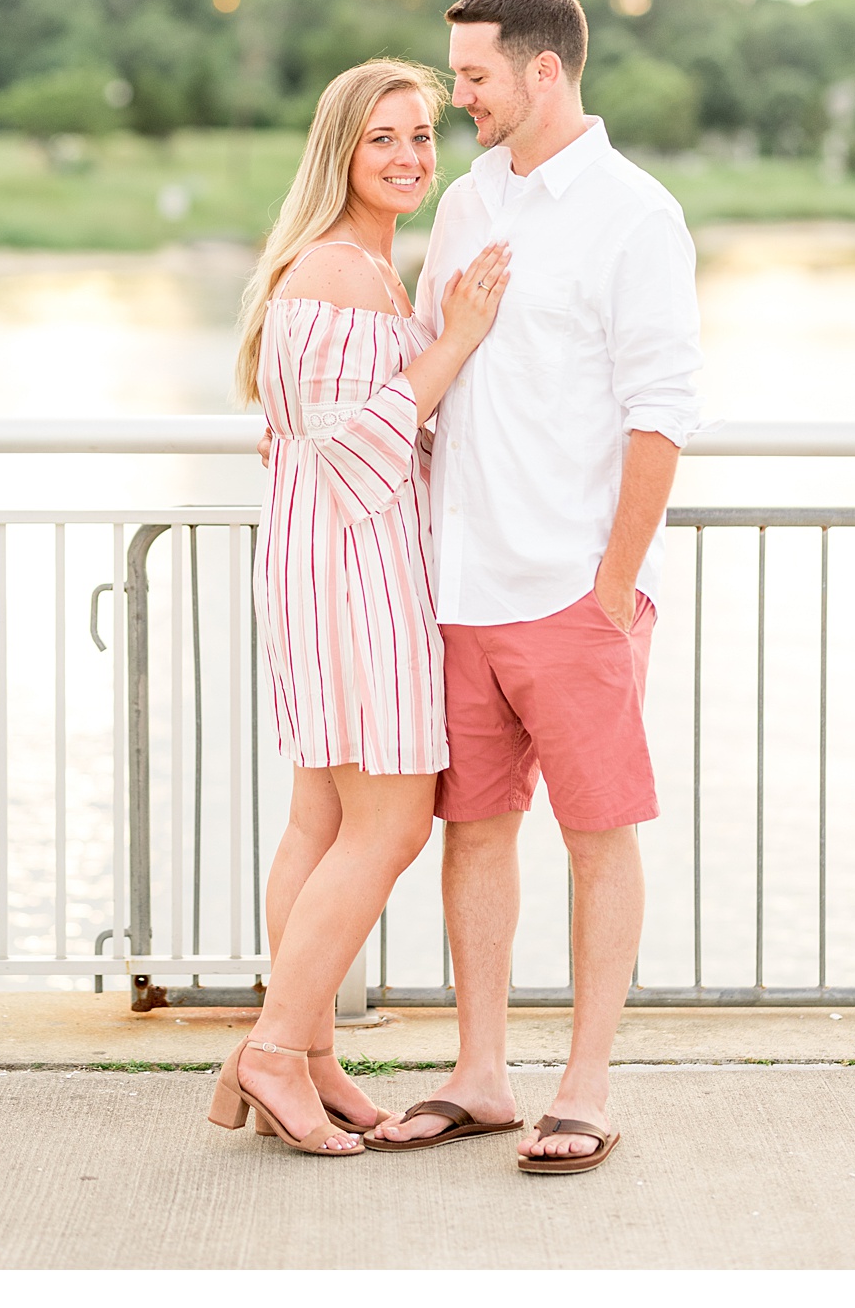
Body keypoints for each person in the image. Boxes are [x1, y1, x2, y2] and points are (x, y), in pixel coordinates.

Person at [366, 0, 700, 1173]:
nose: (457, 96)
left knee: (598, 834)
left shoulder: (633, 213)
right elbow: (426, 362)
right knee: (474, 833)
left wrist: (612, 586)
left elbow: (660, 413)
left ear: (542, 71)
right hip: (458, 589)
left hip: (571, 589)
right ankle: (480, 1073)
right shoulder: (461, 204)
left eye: (471, 77)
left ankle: (587, 1085)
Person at [211, 59, 510, 1156]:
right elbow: (348, 452)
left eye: (422, 135)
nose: (409, 157)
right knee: (384, 821)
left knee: (321, 819)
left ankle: (311, 1053)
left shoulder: (365, 270)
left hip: (332, 561)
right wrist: (456, 341)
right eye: (383, 137)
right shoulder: (332, 274)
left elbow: (314, 429)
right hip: (349, 569)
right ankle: (275, 1051)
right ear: (338, 147)